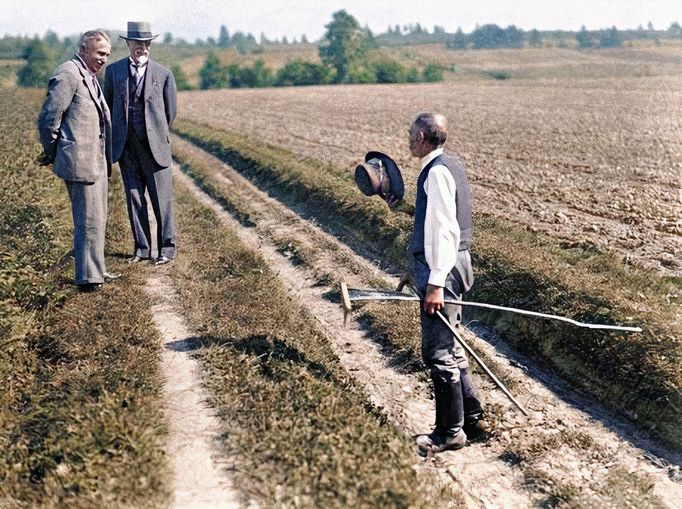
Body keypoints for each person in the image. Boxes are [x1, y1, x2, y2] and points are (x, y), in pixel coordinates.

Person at [407, 112, 484, 453]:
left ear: (423, 136)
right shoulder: (452, 165)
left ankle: (450, 433)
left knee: (439, 352)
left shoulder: (436, 172)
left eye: (411, 134)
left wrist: (435, 281)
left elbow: (443, 230)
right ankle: (472, 415)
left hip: (445, 268)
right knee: (452, 346)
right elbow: (433, 222)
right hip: (454, 263)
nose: (408, 140)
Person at [37, 29, 119, 292]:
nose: (104, 58)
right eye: (100, 53)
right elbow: (49, 119)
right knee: (87, 220)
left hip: (94, 161)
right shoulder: (68, 74)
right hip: (80, 162)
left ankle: (96, 270)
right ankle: (87, 279)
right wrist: (55, 152)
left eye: (107, 54)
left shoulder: (89, 76)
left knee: (97, 217)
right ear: (84, 49)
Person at [103, 21, 177, 265]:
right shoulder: (114, 72)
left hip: (154, 148)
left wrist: (155, 135)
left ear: (150, 45)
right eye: (137, 43)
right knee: (135, 198)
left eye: (146, 43)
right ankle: (142, 248)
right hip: (126, 147)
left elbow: (170, 113)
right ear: (128, 44)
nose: (142, 48)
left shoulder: (164, 74)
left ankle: (166, 249)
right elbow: (108, 108)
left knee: (161, 199)